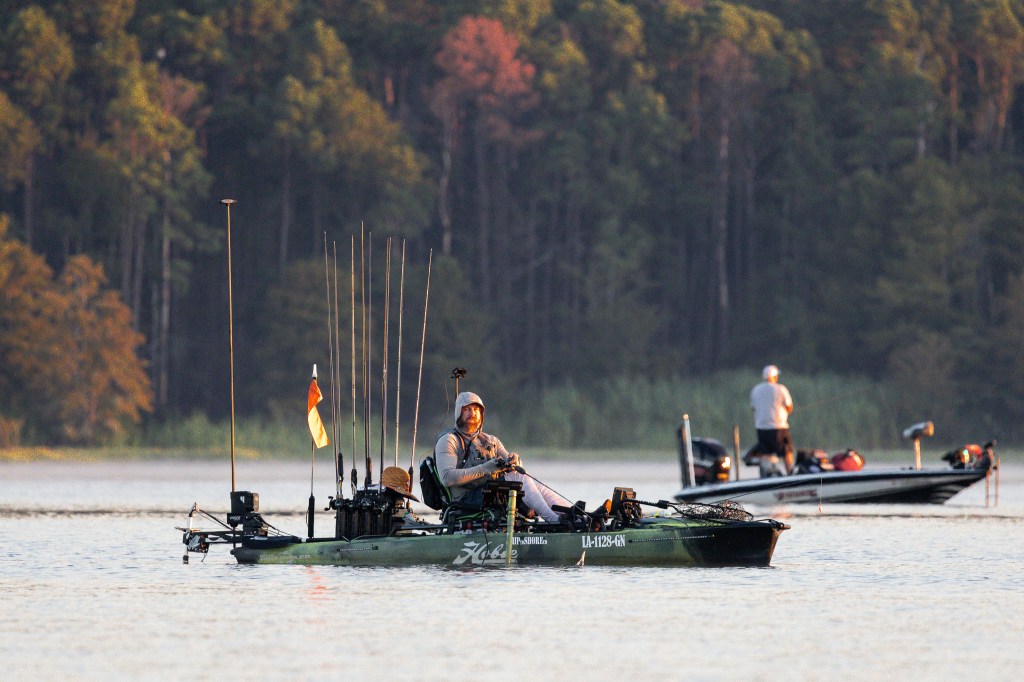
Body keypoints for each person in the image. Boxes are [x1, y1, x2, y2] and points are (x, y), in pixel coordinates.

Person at [435, 391, 569, 523]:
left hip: (491, 493)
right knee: (518, 478)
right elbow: (447, 478)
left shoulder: (491, 440)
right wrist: (484, 469)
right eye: (467, 409)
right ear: (459, 412)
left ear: (481, 414)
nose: (472, 413)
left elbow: (515, 469)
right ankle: (553, 520)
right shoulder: (449, 440)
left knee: (527, 479)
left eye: (476, 409)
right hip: (465, 500)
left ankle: (571, 514)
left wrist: (515, 461)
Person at [750, 364, 794, 474]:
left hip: (762, 428)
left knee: (766, 454)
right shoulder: (781, 388)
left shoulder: (756, 390)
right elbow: (789, 407)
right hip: (779, 428)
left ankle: (766, 475)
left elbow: (753, 408)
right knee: (787, 452)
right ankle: (790, 474)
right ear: (774, 376)